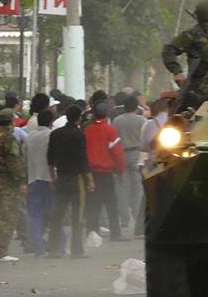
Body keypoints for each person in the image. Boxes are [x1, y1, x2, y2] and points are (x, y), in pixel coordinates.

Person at [48, 104, 94, 258]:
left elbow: (50, 158)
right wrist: (90, 179)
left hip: (61, 177)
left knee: (58, 213)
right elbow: (83, 159)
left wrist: (52, 177)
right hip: (77, 179)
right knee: (77, 215)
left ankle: (52, 249)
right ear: (79, 118)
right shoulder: (79, 135)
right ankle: (76, 250)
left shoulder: (55, 134)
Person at [84, 102, 125, 242]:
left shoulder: (88, 130)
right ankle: (115, 233)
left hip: (91, 174)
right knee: (111, 204)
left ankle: (92, 231)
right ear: (107, 114)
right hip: (106, 173)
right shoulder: (110, 130)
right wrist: (120, 171)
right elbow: (117, 154)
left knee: (93, 204)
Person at [0, 108, 26, 262]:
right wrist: (21, 181)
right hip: (8, 181)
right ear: (12, 121)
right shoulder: (9, 138)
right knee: (8, 216)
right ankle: (0, 251)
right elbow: (14, 161)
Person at [24, 107, 55, 256]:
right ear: (51, 122)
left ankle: (38, 247)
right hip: (49, 179)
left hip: (32, 178)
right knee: (54, 213)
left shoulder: (29, 136)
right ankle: (58, 245)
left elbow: (23, 158)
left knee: (34, 215)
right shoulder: (52, 135)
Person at [113, 96, 145, 229]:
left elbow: (114, 140)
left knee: (122, 188)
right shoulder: (142, 120)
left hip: (122, 154)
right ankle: (138, 218)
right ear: (137, 107)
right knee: (138, 188)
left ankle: (125, 220)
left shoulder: (117, 121)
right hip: (138, 155)